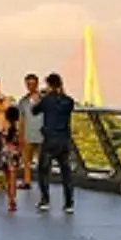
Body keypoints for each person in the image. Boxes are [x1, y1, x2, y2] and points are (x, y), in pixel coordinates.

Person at [31, 72, 75, 213]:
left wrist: (39, 98)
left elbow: (34, 111)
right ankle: (69, 203)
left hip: (49, 140)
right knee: (66, 172)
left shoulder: (46, 100)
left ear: (49, 85)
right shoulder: (69, 101)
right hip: (64, 140)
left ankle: (45, 200)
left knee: (43, 170)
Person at [16, 74, 43, 190]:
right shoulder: (23, 101)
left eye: (32, 84)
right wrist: (20, 135)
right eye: (28, 84)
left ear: (37, 84)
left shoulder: (44, 99)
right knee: (26, 160)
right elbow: (21, 119)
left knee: (43, 161)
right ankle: (27, 181)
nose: (30, 86)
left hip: (42, 134)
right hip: (28, 133)